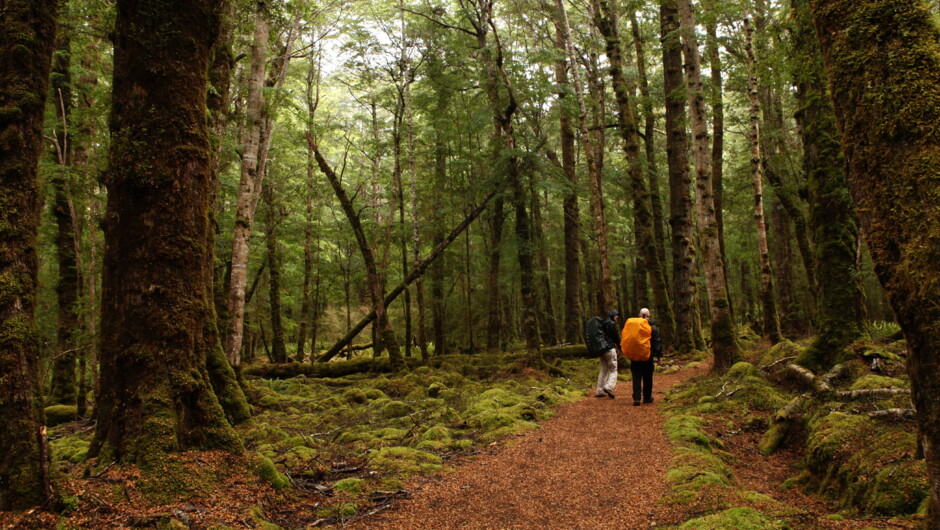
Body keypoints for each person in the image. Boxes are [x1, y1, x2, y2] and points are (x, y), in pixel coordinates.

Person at [620, 307, 663, 406]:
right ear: (649, 315)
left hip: (634, 355)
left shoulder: (633, 326)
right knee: (648, 376)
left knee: (636, 376)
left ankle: (637, 397)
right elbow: (657, 342)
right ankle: (647, 397)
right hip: (647, 355)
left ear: (639, 315)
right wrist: (659, 355)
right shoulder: (652, 327)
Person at [595, 309, 621, 399]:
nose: (617, 317)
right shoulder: (612, 324)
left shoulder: (602, 324)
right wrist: (620, 347)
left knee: (603, 370)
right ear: (613, 315)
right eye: (616, 315)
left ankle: (599, 391)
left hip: (602, 350)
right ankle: (609, 387)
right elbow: (616, 337)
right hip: (610, 349)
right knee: (614, 369)